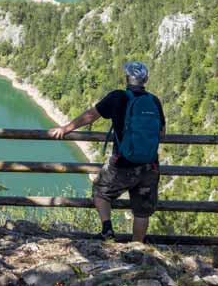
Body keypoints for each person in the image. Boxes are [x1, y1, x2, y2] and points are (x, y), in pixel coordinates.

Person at [48, 61, 165, 242]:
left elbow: (90, 116)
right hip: (150, 166)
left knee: (100, 190)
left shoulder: (117, 97)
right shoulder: (154, 101)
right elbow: (161, 133)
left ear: (126, 78)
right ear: (146, 80)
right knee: (142, 210)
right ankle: (136, 249)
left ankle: (107, 230)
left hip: (123, 164)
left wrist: (66, 128)